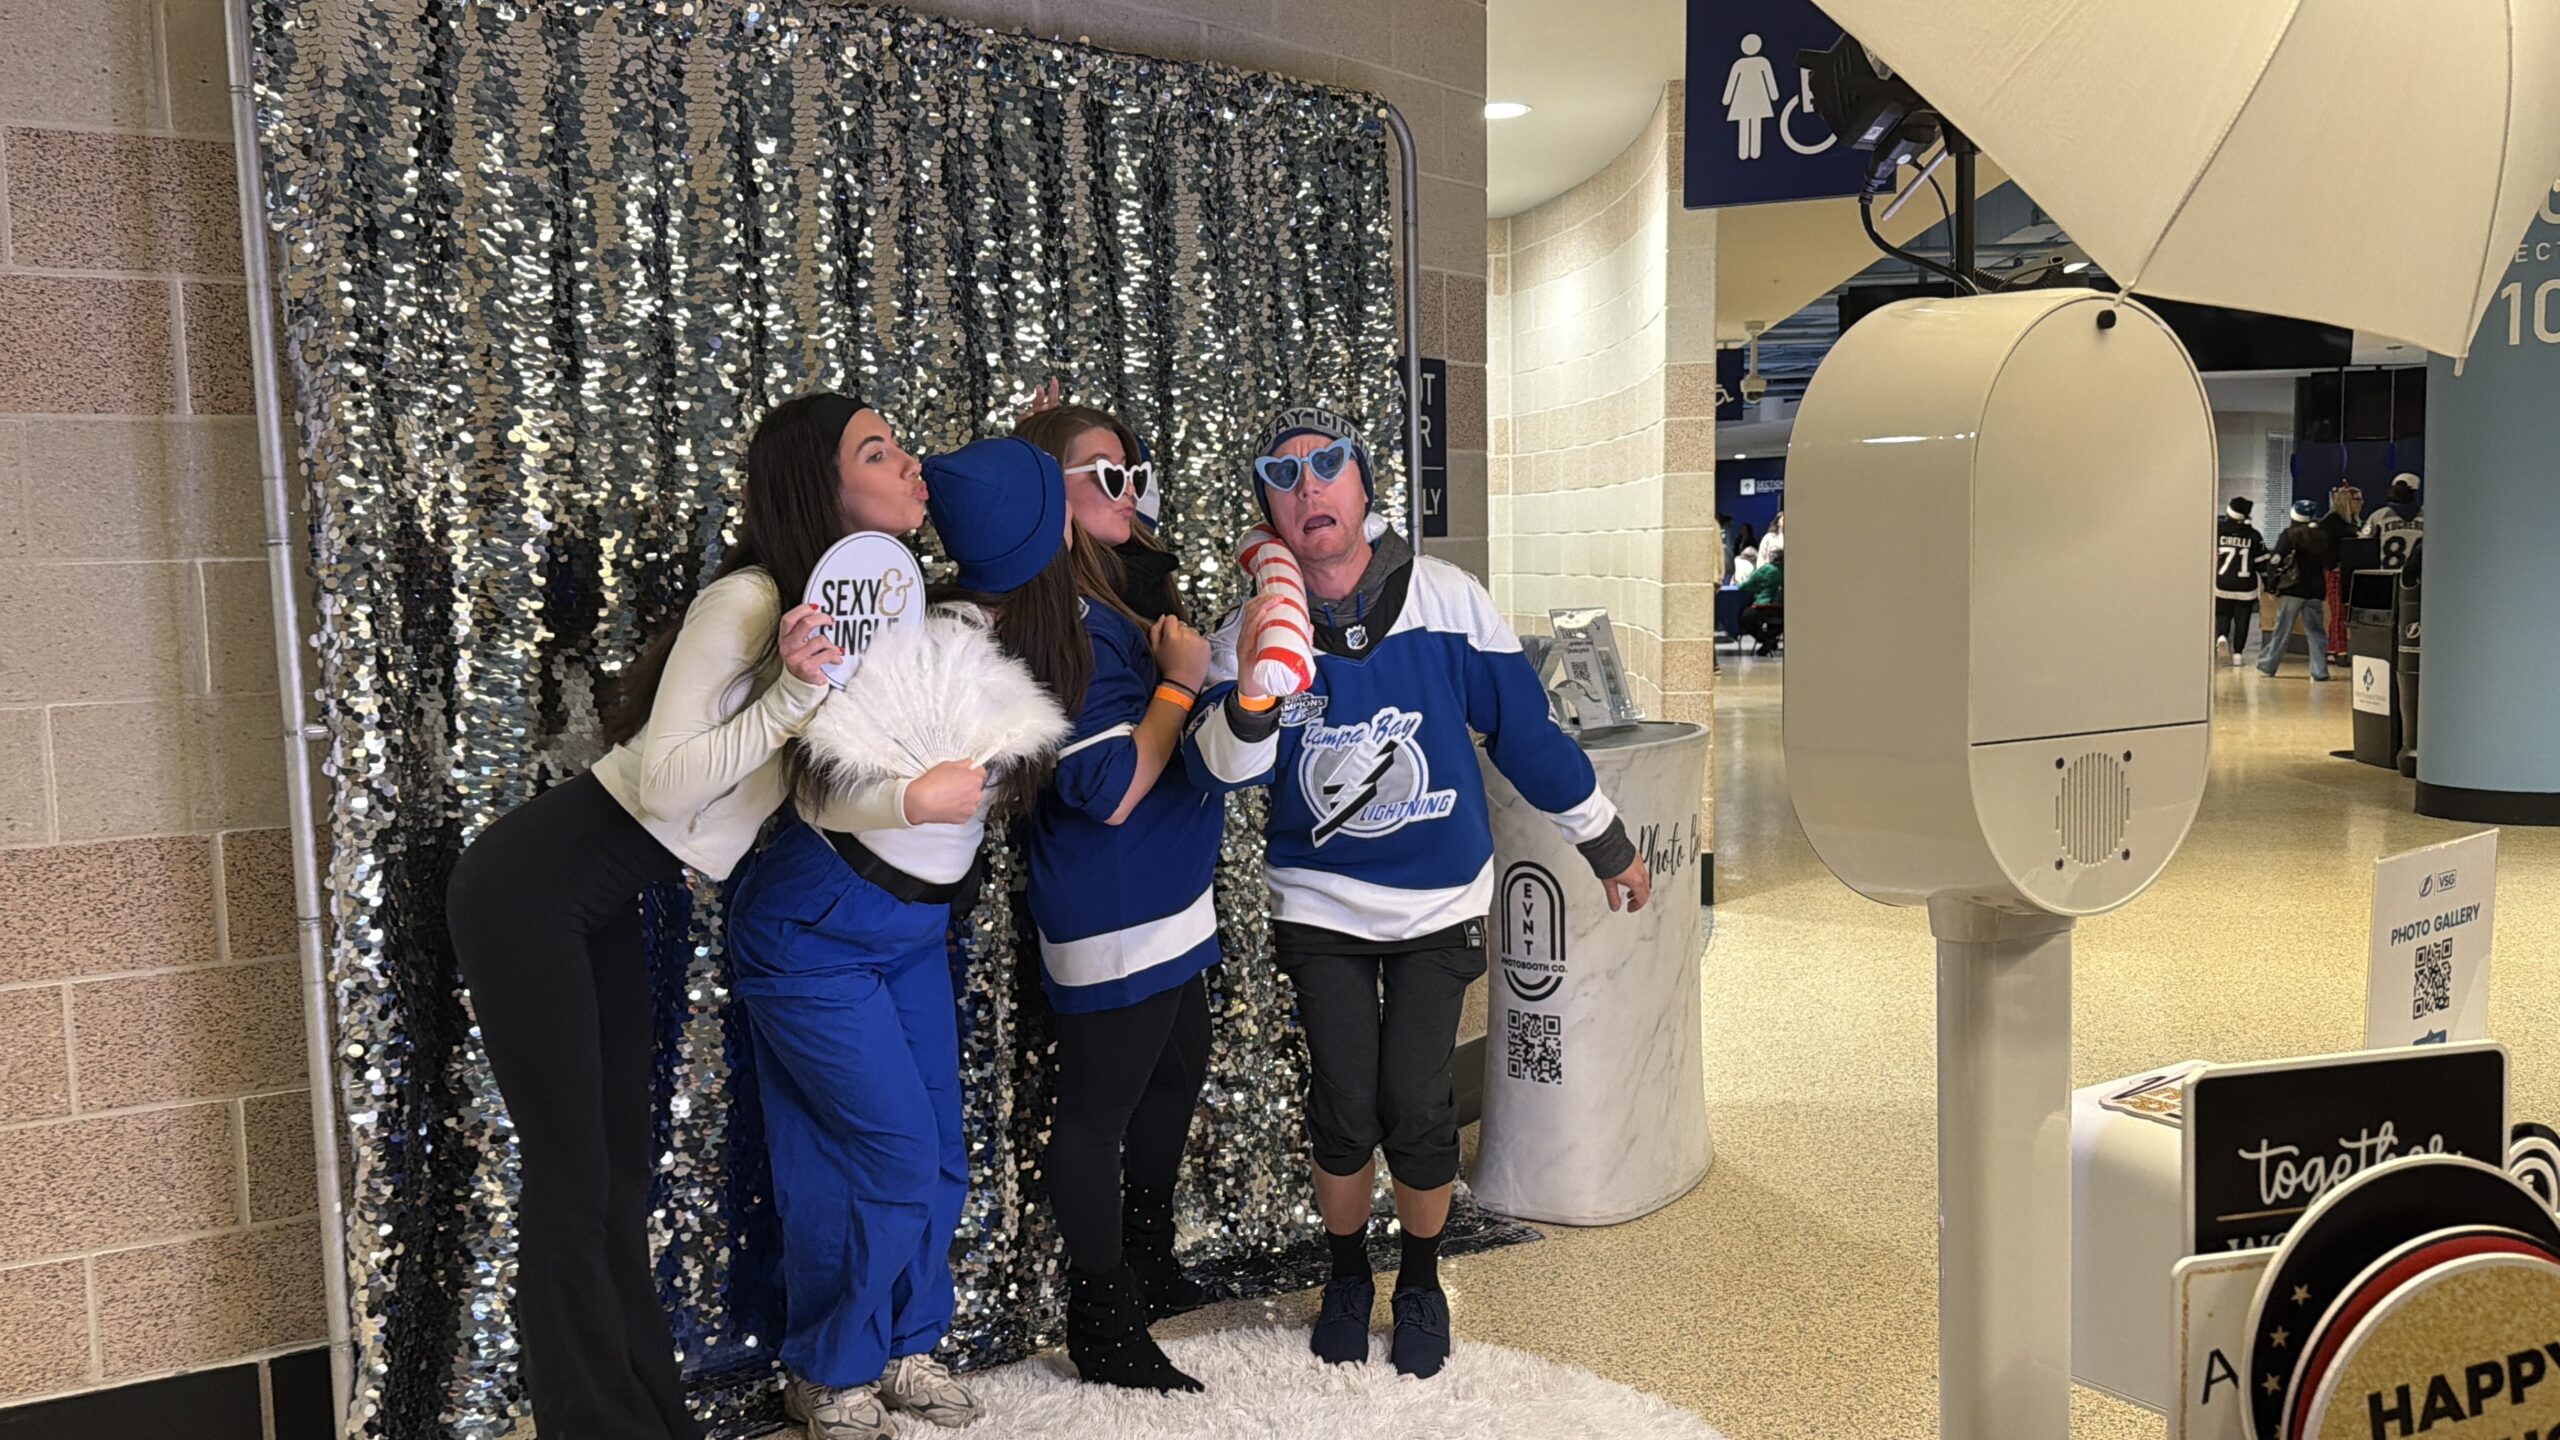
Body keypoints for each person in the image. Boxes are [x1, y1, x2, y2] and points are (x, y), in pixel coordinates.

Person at [444, 393, 938, 1440]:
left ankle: (650, 1419)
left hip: (602, 897)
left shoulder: (840, 622)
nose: (910, 465)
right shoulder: (748, 603)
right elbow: (667, 785)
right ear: (821, 485)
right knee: (574, 1182)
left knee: (620, 1175)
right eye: (879, 451)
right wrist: (792, 696)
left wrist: (913, 797)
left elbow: (809, 796)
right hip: (531, 885)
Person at [1182, 406, 1652, 1380]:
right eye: (1284, 473)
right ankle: (1349, 1273)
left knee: (1417, 1103)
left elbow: (1523, 735)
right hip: (1320, 906)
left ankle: (1423, 1280)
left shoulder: (1448, 601)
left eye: (1328, 464)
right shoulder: (1249, 631)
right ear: (1267, 506)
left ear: (1364, 484)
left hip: (1439, 903)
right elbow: (1220, 770)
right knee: (1345, 1106)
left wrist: (1605, 840)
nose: (1310, 486)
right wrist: (1258, 684)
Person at [723, 434, 1082, 1440]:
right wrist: (911, 797)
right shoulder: (907, 628)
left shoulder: (1027, 633)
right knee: (882, 1154)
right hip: (818, 923)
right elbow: (816, 787)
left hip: (916, 929)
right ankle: (827, 1368)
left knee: (934, 1153)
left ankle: (902, 1345)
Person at [1012, 405, 1226, 1393]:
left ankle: (1145, 1259)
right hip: (1117, 908)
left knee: (1176, 1073)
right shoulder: (1061, 618)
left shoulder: (1117, 594)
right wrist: (1179, 687)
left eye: (1132, 473)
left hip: (1169, 898)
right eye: (1102, 475)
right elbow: (1106, 790)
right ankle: (1101, 1319)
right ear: (1044, 495)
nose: (1127, 491)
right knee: (1097, 1115)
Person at [2257, 497, 2335, 680]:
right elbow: (2330, 562)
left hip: (2292, 590)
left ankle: (2268, 665)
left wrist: (2271, 587)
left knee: (2282, 630)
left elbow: (2275, 561)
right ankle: (2320, 671)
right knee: (2316, 632)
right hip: (2315, 590)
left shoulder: (2289, 535)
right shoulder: (2322, 536)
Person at [2214, 496, 2270, 666]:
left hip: (2222, 583)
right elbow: (2263, 564)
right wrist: (2269, 585)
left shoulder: (2217, 531)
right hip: (2246, 587)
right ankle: (2238, 653)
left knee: (2222, 614)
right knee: (2242, 620)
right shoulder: (2254, 535)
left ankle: (2222, 636)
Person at [2319, 484, 2362, 665]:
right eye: (2357, 499)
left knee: (2340, 612)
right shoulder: (2333, 523)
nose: (2361, 503)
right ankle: (2340, 650)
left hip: (2348, 572)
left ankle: (2331, 649)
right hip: (2335, 572)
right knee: (2338, 613)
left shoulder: (2351, 522)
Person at [2361, 474, 2424, 572]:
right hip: (2416, 577)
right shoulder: (2427, 517)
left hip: (2386, 575)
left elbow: (2362, 542)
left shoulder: (2379, 515)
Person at [1738, 549, 1785, 656]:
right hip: (1782, 609)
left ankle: (1766, 639)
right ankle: (1770, 641)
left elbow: (1748, 585)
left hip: (1765, 606)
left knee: (1745, 618)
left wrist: (1739, 585)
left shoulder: (1766, 569)